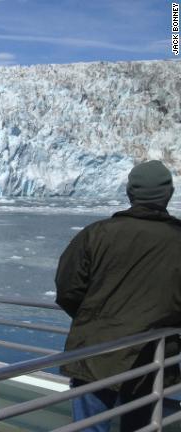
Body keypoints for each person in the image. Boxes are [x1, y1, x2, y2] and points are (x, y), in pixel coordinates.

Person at [55, 160, 181, 431]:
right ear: (168, 194)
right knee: (141, 425)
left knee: (90, 427)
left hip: (96, 355)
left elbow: (68, 290)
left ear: (129, 192)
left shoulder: (96, 234)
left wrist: (95, 321)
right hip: (152, 356)